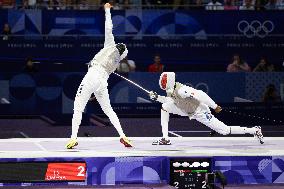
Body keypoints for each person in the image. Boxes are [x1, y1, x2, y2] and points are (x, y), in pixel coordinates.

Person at [66, 3, 132, 149]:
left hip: (93, 75)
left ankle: (73, 138)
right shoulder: (116, 62)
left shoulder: (110, 45)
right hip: (102, 82)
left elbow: (108, 27)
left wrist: (107, 9)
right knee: (108, 109)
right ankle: (123, 135)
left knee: (78, 107)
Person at [148, 72, 264, 145]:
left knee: (224, 131)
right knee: (165, 106)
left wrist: (214, 106)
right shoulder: (171, 90)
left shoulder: (181, 90)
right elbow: (170, 101)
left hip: (200, 112)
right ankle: (165, 138)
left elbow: (200, 94)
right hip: (185, 110)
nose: (163, 85)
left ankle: (254, 130)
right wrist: (157, 97)